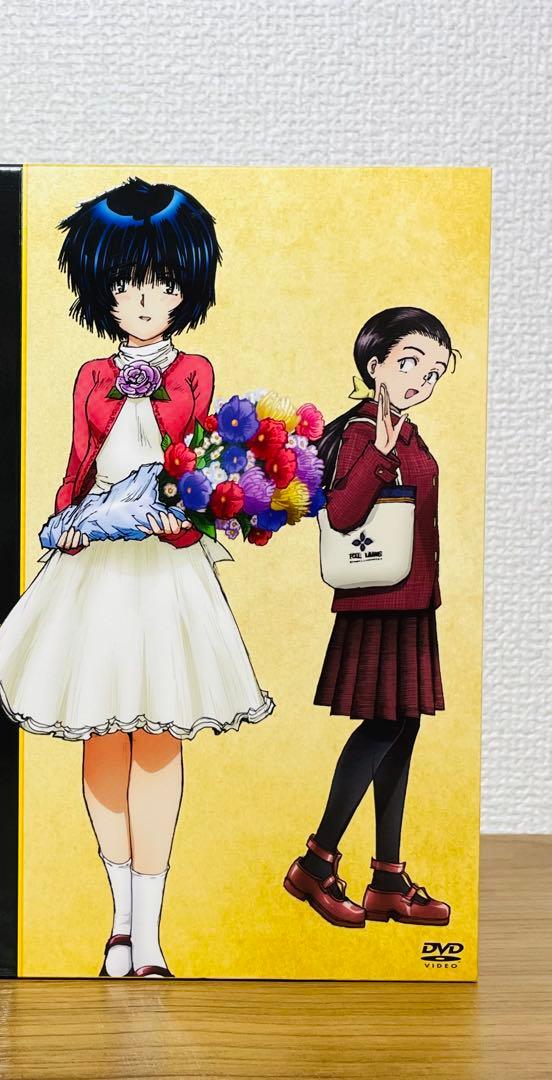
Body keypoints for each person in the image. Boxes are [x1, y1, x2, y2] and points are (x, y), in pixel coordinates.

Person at [0, 178, 272, 977]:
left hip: (165, 569)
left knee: (159, 738)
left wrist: (190, 520)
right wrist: (63, 526)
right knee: (100, 733)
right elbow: (78, 466)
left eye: (164, 283)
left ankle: (152, 936)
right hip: (96, 565)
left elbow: (199, 466)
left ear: (187, 288)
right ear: (100, 289)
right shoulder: (91, 376)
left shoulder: (195, 370)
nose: (145, 299)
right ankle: (120, 922)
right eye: (127, 283)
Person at [284, 307, 456, 929]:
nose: (421, 381)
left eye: (433, 372)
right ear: (375, 365)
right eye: (409, 363)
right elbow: (344, 514)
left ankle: (387, 877)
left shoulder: (406, 430)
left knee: (403, 731)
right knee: (383, 728)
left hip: (412, 601)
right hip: (378, 603)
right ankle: (315, 864)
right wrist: (380, 453)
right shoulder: (364, 431)